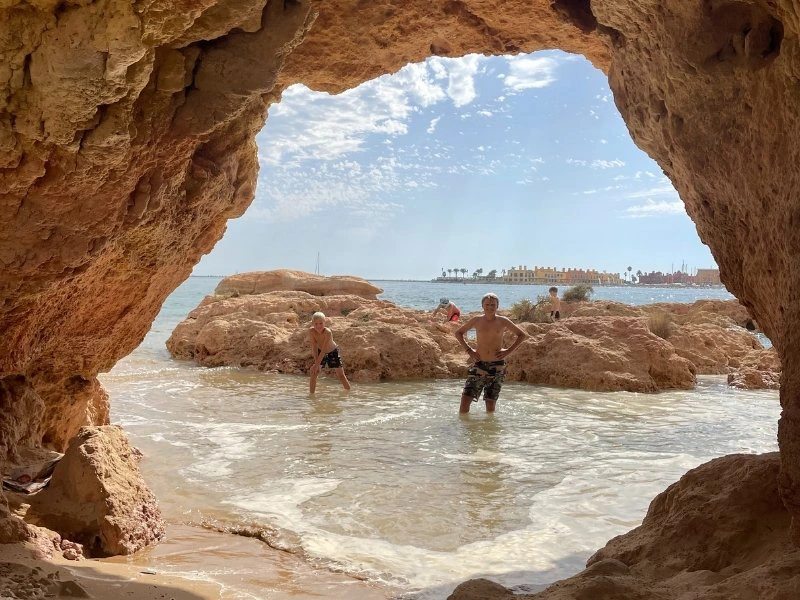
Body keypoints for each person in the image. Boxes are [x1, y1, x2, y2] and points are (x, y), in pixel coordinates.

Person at [454, 293, 528, 413]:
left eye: (493, 304)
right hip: (479, 364)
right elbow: (458, 333)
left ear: (497, 306)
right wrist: (469, 350)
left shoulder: (503, 321)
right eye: (487, 304)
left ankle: (489, 430)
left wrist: (509, 351)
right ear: (482, 306)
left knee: (490, 403)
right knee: (465, 400)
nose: (490, 307)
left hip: (497, 366)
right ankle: (464, 429)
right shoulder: (476, 320)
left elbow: (522, 335)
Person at [308, 311, 351, 394]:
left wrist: (317, 364)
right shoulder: (311, 331)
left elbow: (324, 349)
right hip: (320, 352)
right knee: (313, 372)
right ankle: (311, 396)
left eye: (321, 323)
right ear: (312, 323)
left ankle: (348, 393)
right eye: (316, 324)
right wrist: (316, 363)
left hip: (332, 352)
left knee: (341, 375)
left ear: (325, 322)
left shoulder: (328, 332)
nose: (318, 326)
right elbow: (314, 346)